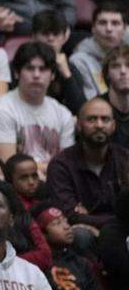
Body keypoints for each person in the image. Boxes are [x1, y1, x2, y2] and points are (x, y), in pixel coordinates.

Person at [45, 98, 129, 249]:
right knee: (80, 236)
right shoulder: (61, 164)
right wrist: (115, 222)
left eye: (105, 119)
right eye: (92, 119)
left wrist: (101, 225)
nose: (99, 125)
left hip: (121, 230)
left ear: (114, 125)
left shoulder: (125, 159)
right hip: (86, 232)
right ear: (78, 125)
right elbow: (69, 215)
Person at [0, 41, 76, 175]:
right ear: (17, 73)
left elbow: (68, 165)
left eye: (43, 69)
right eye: (29, 68)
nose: (36, 75)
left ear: (52, 75)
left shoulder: (63, 114)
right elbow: (9, 165)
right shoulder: (1, 110)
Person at [34, 205, 104, 290]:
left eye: (66, 221)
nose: (66, 227)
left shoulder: (82, 263)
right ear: (43, 234)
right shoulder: (39, 266)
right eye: (57, 223)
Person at [32, 10, 87, 113]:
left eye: (56, 34)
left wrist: (66, 75)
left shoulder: (70, 69)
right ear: (34, 36)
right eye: (45, 34)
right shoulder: (21, 64)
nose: (51, 39)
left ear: (65, 37)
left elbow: (81, 110)